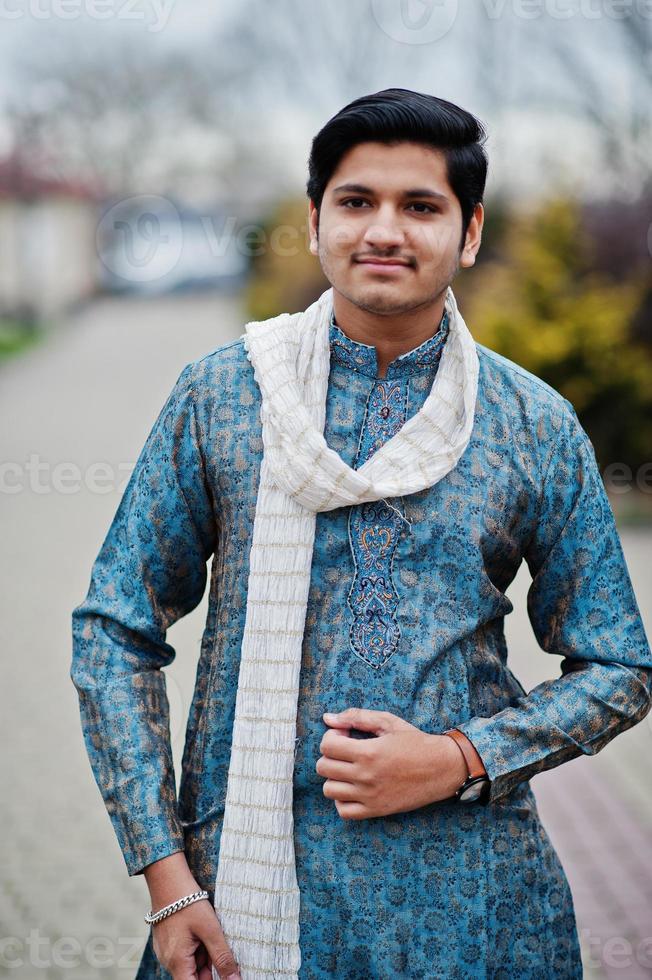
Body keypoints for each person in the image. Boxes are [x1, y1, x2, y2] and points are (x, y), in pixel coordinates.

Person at [70, 88, 652, 980]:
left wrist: (459, 757)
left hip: (473, 906)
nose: (385, 230)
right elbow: (115, 631)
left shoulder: (532, 424)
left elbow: (620, 665)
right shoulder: (224, 397)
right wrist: (168, 881)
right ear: (313, 223)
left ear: (469, 233)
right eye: (356, 201)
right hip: (242, 896)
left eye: (420, 206)